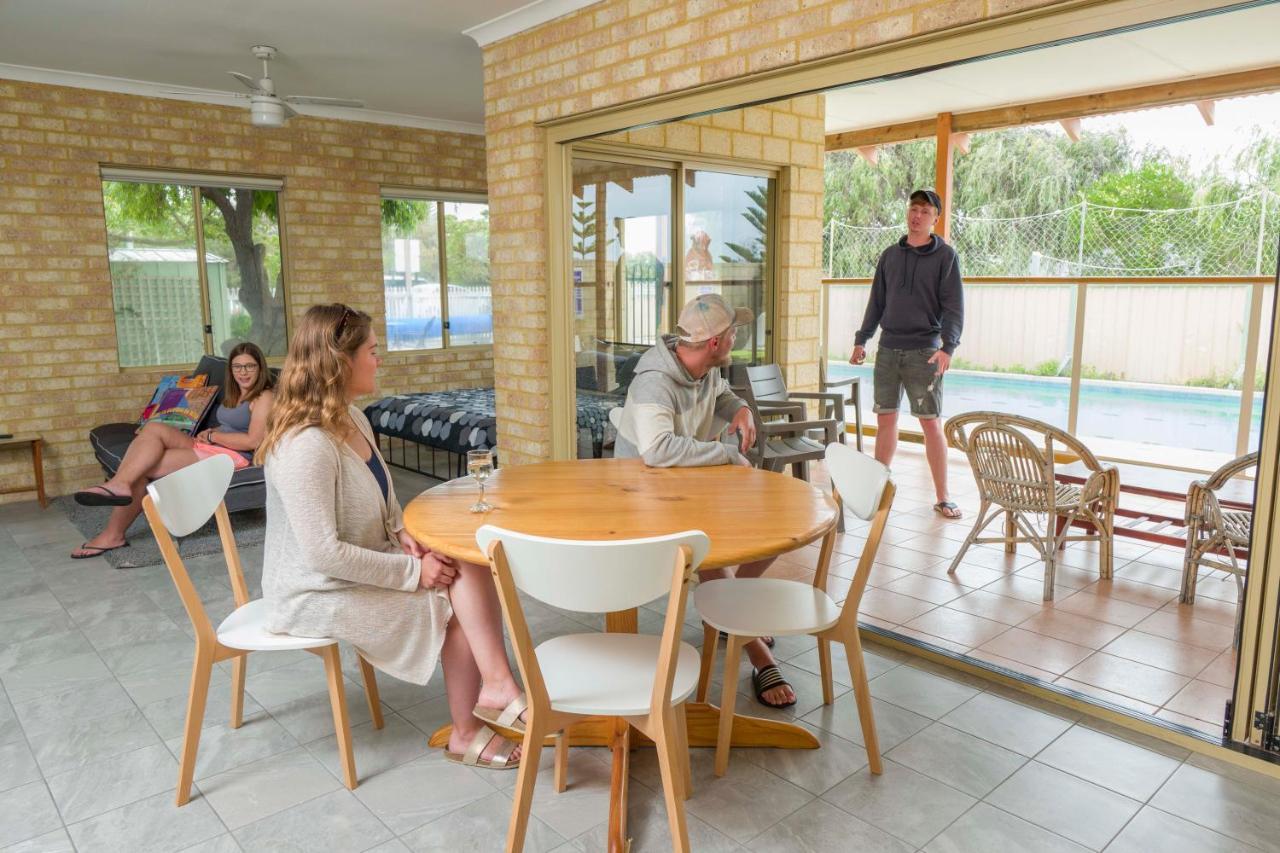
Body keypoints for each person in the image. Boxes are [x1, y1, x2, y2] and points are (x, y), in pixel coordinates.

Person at [258, 303, 527, 770]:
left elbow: (384, 497)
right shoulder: (305, 445)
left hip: (355, 561)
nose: (379, 360)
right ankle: (471, 725)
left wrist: (404, 533)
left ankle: (496, 685)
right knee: (449, 600)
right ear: (341, 362)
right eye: (372, 351)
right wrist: (412, 572)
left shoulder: (353, 419)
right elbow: (322, 555)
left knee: (467, 564)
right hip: (312, 590)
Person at [613, 293, 798, 708]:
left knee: (779, 527)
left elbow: (721, 395)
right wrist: (727, 453)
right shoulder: (654, 381)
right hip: (641, 500)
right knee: (705, 549)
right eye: (734, 332)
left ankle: (733, 613)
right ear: (715, 341)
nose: (737, 338)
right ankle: (756, 651)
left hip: (685, 486)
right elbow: (657, 450)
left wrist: (742, 409)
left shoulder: (703, 368)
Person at [71, 342, 275, 558]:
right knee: (153, 428)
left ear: (260, 368)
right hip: (213, 445)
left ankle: (113, 532)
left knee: (142, 469)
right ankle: (119, 485)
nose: (243, 372)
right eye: (237, 367)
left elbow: (253, 440)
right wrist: (210, 432)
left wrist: (213, 436)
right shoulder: (236, 394)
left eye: (250, 366)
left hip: (233, 456)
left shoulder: (264, 397)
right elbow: (232, 425)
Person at [850, 188, 965, 519]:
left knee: (931, 424)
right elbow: (877, 302)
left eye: (925, 211)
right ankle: (876, 489)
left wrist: (948, 348)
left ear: (935, 218)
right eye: (913, 209)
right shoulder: (890, 256)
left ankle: (943, 496)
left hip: (925, 352)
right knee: (886, 419)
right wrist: (862, 339)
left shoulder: (946, 258)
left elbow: (954, 307)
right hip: (888, 348)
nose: (917, 215)